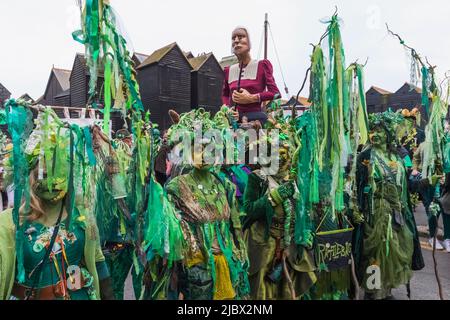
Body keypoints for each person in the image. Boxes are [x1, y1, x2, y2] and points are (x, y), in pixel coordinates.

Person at [355, 112, 424, 300]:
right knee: (374, 253)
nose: (374, 135)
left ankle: (385, 290)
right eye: (371, 131)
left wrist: (425, 182)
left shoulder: (398, 156)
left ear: (388, 133)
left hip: (396, 214)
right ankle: (372, 291)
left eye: (378, 131)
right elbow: (357, 186)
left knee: (393, 252)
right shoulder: (365, 156)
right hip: (374, 213)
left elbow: (407, 185)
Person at [222, 26, 281, 125]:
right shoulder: (228, 70)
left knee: (261, 118)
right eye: (233, 38)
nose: (236, 40)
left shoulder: (262, 65)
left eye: (241, 37)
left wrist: (251, 98)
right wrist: (228, 109)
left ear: (249, 42)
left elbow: (276, 94)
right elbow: (225, 94)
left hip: (256, 118)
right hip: (235, 120)